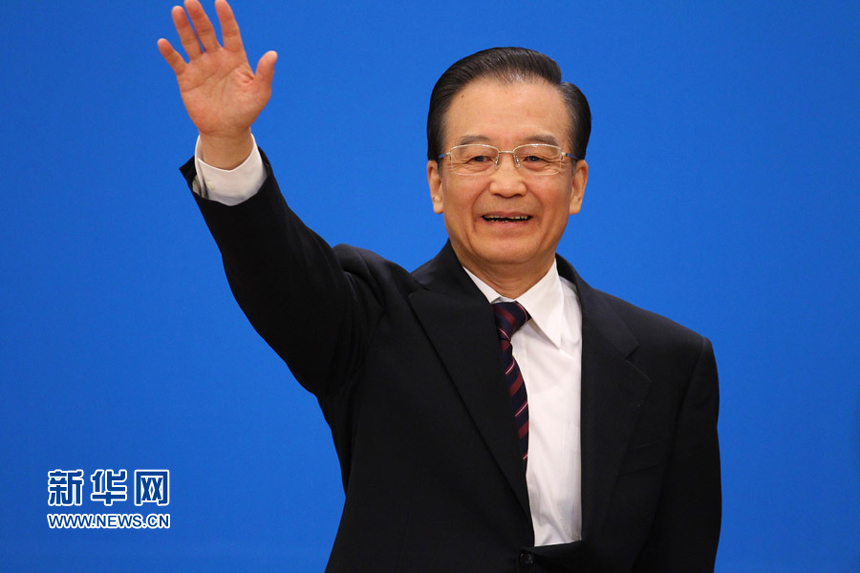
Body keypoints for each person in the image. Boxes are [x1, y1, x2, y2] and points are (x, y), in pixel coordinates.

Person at [158, 1, 721, 571]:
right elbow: (280, 273)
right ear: (436, 183)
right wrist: (228, 143)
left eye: (536, 157)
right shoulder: (370, 320)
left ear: (576, 184)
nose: (507, 183)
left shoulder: (670, 361)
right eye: (477, 157)